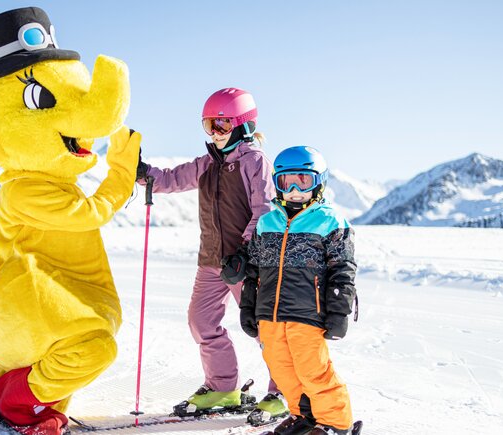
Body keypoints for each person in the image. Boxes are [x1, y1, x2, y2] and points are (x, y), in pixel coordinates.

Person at [137, 88, 288, 420]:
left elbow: (264, 212)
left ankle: (284, 391)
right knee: (201, 321)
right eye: (209, 126)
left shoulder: (254, 161)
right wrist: (142, 171)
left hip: (248, 263)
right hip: (212, 262)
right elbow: (169, 179)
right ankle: (223, 387)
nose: (215, 134)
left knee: (267, 327)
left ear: (242, 126)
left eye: (221, 125)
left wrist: (246, 253)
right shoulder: (206, 164)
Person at [239, 145, 358, 435]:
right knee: (282, 370)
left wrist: (339, 311)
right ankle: (303, 415)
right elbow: (254, 269)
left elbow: (343, 270)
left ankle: (334, 423)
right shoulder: (267, 223)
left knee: (313, 371)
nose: (293, 189)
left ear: (319, 182)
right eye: (285, 181)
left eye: (302, 180)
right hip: (269, 314)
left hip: (308, 312)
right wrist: (248, 306)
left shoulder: (330, 222)